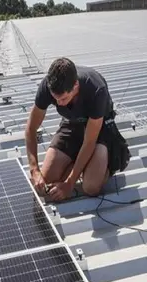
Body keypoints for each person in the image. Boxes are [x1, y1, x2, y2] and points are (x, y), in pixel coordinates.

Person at [23, 57, 130, 202]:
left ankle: (104, 164)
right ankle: (76, 163)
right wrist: (34, 169)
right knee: (45, 181)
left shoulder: (96, 90)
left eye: (63, 99)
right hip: (72, 123)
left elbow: (89, 142)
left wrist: (69, 183)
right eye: (56, 99)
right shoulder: (47, 86)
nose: (59, 104)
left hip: (99, 129)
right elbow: (31, 128)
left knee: (90, 187)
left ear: (75, 85)